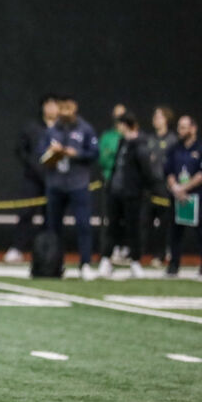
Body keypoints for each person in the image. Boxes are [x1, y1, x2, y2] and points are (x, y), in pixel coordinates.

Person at [40, 95, 99, 280]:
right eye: (62, 109)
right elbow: (40, 154)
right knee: (54, 227)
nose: (65, 113)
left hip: (78, 184)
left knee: (83, 225)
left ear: (75, 109)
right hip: (56, 184)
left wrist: (76, 154)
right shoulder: (52, 130)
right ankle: (56, 264)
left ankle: (85, 263)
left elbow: (94, 153)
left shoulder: (85, 129)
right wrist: (52, 152)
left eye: (68, 109)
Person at [97, 113, 155, 279]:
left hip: (132, 194)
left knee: (133, 229)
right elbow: (116, 166)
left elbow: (146, 171)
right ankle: (106, 260)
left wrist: (142, 189)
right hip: (116, 192)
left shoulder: (140, 145)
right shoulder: (122, 142)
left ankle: (135, 262)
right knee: (112, 227)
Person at [5, 94, 58, 264]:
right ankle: (17, 248)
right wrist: (34, 165)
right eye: (48, 105)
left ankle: (49, 251)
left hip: (54, 179)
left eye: (54, 105)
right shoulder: (32, 127)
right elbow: (21, 150)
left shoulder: (64, 129)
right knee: (26, 213)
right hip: (32, 178)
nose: (51, 108)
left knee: (51, 216)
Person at [165, 115, 202, 278]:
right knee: (175, 232)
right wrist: (176, 188)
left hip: (197, 196)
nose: (181, 130)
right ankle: (174, 265)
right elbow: (168, 170)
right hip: (177, 197)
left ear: (193, 128)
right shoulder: (174, 149)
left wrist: (185, 188)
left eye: (184, 127)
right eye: (179, 127)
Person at [144, 106, 177, 268]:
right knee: (147, 220)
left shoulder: (172, 140)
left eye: (159, 116)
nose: (155, 119)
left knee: (164, 222)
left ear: (166, 119)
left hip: (164, 187)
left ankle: (162, 253)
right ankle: (146, 252)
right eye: (154, 116)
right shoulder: (149, 139)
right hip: (150, 186)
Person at [98, 103, 129, 263]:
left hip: (129, 184)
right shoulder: (107, 136)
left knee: (128, 218)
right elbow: (104, 159)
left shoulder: (130, 137)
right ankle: (110, 250)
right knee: (111, 219)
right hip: (111, 182)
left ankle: (126, 248)